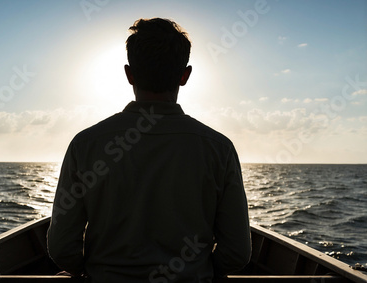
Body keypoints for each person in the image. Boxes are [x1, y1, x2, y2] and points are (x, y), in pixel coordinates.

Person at [47, 18, 251, 283]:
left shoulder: (85, 144)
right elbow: (237, 252)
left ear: (129, 74)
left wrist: (84, 270)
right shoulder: (219, 149)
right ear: (185, 75)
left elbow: (62, 247)